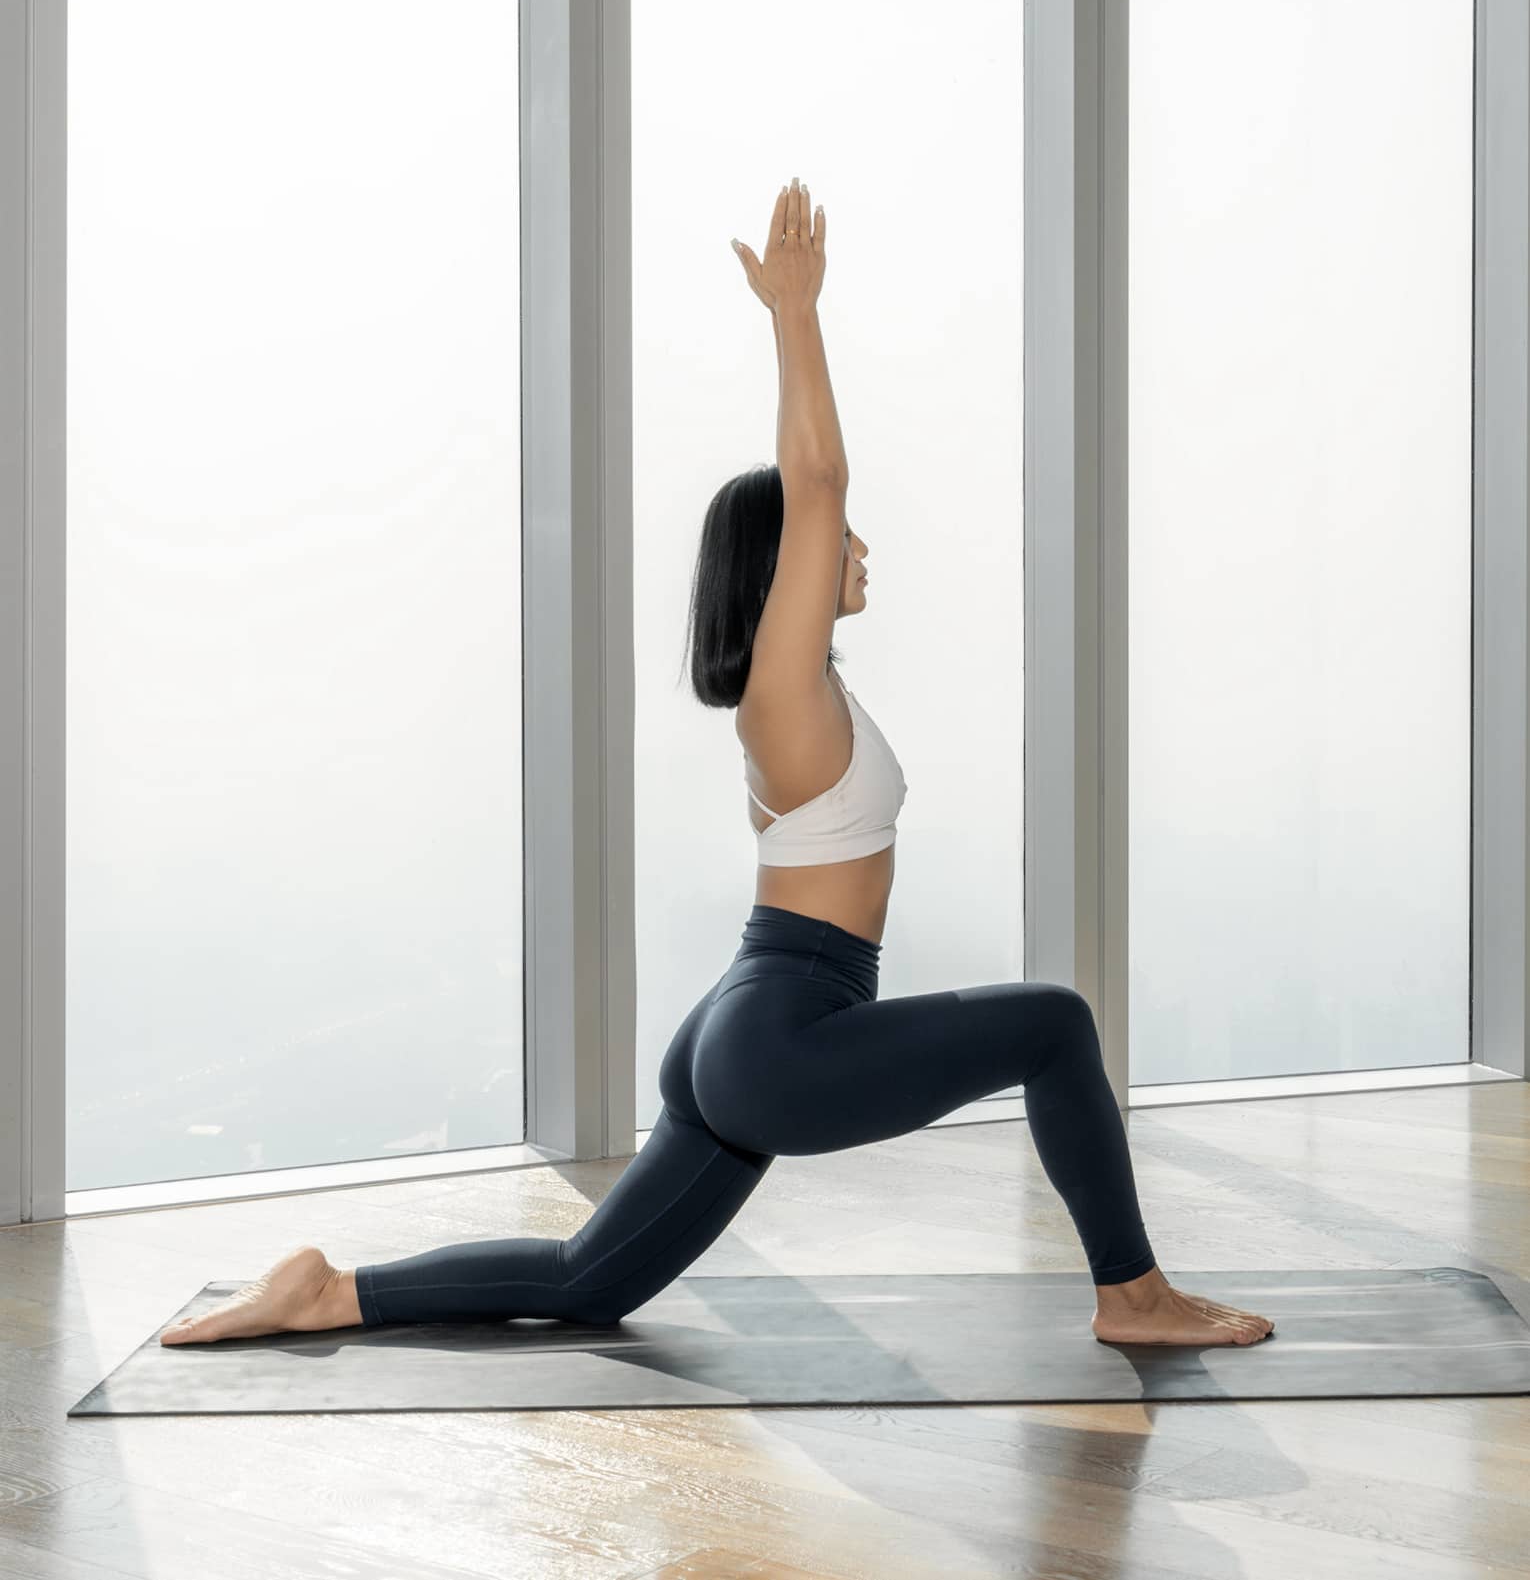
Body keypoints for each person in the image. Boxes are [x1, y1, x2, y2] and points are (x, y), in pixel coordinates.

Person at [162, 178, 1272, 1351]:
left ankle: (329, 1289)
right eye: (830, 544)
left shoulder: (809, 692)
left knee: (589, 1279)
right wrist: (796, 314)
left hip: (752, 1024)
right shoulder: (781, 697)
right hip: (782, 1031)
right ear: (781, 563)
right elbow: (818, 485)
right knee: (1055, 1021)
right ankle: (1133, 1295)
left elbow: (819, 511)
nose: (855, 546)